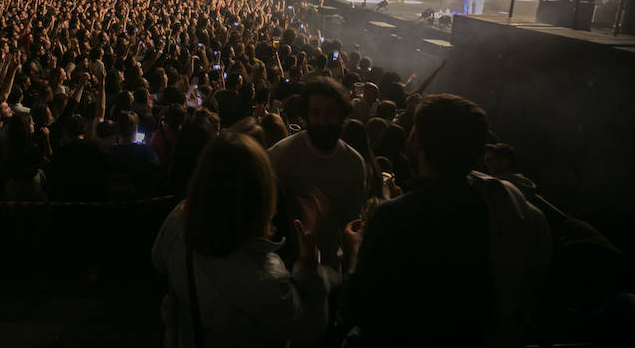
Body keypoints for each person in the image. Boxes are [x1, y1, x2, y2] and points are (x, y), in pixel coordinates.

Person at [342, 94, 551, 347]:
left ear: (417, 139)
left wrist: (354, 251)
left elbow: (359, 309)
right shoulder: (500, 209)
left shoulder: (393, 217)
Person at [152, 132, 331, 348]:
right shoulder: (268, 280)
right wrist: (310, 262)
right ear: (263, 194)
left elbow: (159, 261)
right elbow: (311, 326)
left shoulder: (178, 223)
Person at [267, 77, 366, 266]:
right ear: (306, 115)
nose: (322, 121)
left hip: (329, 267)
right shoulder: (282, 155)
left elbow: (352, 222)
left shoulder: (354, 164)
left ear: (341, 115)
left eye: (330, 113)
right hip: (283, 263)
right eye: (315, 113)